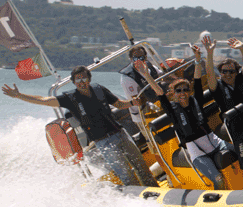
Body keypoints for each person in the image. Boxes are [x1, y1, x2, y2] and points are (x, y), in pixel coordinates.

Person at [2, 66, 158, 187]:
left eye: (84, 78)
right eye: (78, 79)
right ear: (73, 82)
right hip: (103, 142)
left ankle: (154, 195)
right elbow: (44, 100)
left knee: (143, 168)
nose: (82, 81)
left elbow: (118, 103)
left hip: (120, 134)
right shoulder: (70, 98)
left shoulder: (99, 89)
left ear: (89, 79)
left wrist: (132, 103)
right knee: (126, 177)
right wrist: (20, 95)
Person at [135, 47, 234, 190]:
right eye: (178, 91)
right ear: (174, 94)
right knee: (217, 178)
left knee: (241, 150)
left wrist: (198, 60)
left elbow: (198, 80)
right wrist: (146, 74)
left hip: (216, 143)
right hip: (198, 152)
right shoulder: (172, 110)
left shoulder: (196, 100)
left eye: (185, 90)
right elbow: (159, 93)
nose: (183, 93)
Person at [202, 35, 243, 172]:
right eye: (224, 71)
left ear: (237, 72)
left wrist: (242, 48)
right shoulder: (217, 87)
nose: (228, 74)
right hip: (235, 124)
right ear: (220, 73)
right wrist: (209, 53)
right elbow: (209, 75)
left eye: (231, 71)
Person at [119, 45, 161, 125]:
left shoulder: (151, 67)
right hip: (142, 116)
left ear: (145, 57)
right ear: (131, 59)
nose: (139, 61)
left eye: (141, 58)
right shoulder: (127, 78)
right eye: (135, 58)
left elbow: (163, 77)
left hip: (160, 107)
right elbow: (137, 100)